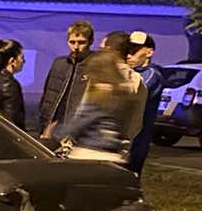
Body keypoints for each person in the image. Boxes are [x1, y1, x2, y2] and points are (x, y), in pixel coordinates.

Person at [57, 31, 142, 163]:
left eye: (102, 48)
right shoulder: (136, 80)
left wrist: (66, 137)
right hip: (117, 152)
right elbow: (136, 121)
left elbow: (82, 117)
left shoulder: (101, 77)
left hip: (88, 152)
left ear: (109, 50)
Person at [40, 20, 94, 136]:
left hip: (79, 131)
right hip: (53, 128)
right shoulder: (59, 64)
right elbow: (47, 97)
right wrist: (44, 125)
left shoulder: (95, 67)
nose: (76, 47)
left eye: (81, 42)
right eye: (72, 42)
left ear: (91, 42)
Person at [124, 31, 162, 175]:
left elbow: (132, 94)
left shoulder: (151, 74)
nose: (129, 55)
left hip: (137, 140)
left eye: (135, 51)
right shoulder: (129, 71)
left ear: (149, 52)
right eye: (128, 51)